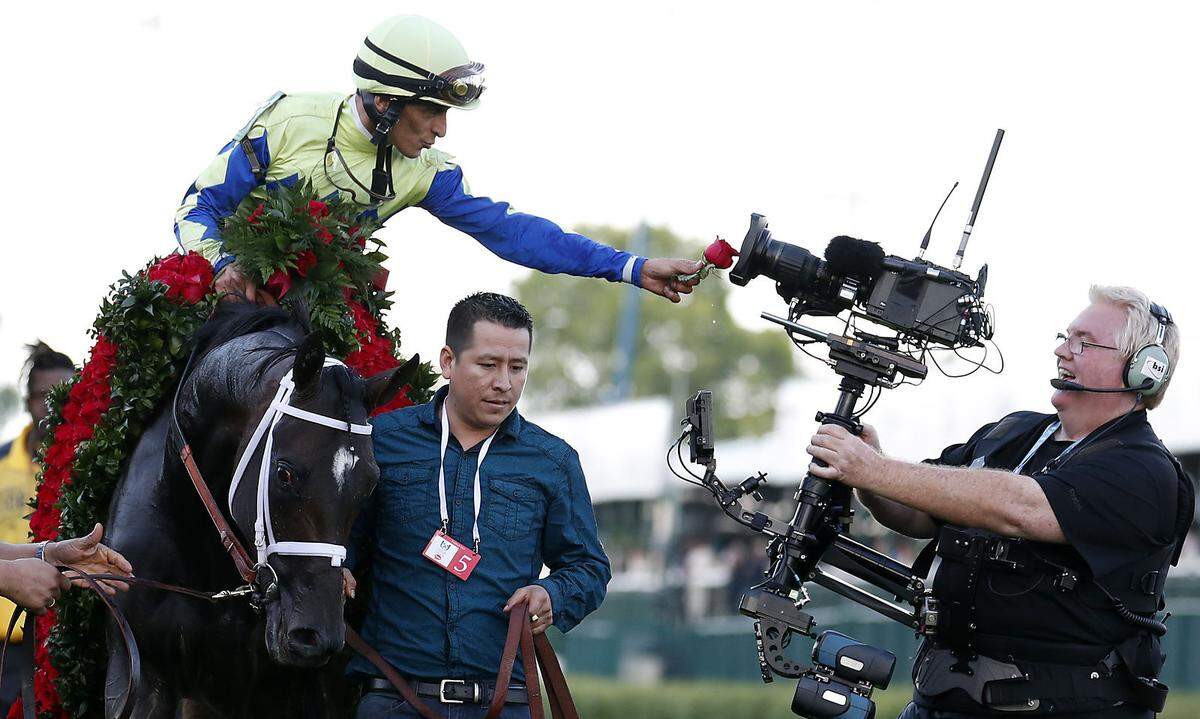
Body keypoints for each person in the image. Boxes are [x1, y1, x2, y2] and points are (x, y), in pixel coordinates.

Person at [805, 286, 1190, 718]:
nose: (1062, 351)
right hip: (942, 700)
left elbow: (1021, 507)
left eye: (1084, 342)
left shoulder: (1143, 470)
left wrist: (875, 470)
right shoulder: (1014, 432)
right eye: (1065, 336)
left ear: (1144, 369)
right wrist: (871, 475)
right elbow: (917, 512)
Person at [175, 15, 702, 305]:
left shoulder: (429, 174)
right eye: (430, 112)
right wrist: (223, 266)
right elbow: (196, 208)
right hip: (222, 296)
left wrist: (629, 267)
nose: (440, 131)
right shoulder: (290, 121)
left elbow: (513, 232)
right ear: (384, 101)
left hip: (312, 312)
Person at [343, 292, 609, 718]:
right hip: (393, 698)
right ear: (448, 361)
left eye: (517, 367)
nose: (504, 383)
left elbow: (589, 568)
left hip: (505, 701)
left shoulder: (552, 461)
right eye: (488, 365)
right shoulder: (380, 441)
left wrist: (550, 593)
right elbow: (340, 539)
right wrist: (338, 569)